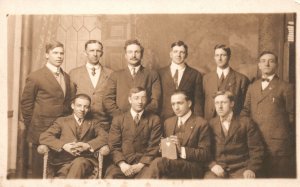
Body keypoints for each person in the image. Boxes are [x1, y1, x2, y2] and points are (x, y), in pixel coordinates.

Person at [21, 41, 74, 178]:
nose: (59, 56)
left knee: (59, 169)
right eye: (55, 53)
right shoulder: (36, 76)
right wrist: (33, 125)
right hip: (41, 130)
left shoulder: (66, 77)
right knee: (40, 171)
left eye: (61, 53)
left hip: (61, 132)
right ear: (46, 55)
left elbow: (66, 104)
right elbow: (26, 104)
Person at [241, 51, 295, 178]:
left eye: (271, 61)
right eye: (263, 61)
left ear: (276, 65)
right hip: (255, 143)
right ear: (259, 65)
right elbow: (245, 111)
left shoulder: (286, 87)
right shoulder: (252, 87)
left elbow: (292, 116)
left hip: (278, 146)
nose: (267, 64)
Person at [142, 90, 211, 179]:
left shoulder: (201, 123)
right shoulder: (168, 122)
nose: (176, 107)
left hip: (192, 167)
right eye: (173, 104)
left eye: (179, 103)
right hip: (171, 166)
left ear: (189, 103)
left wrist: (181, 150)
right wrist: (162, 148)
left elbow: (205, 154)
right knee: (161, 177)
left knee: (158, 163)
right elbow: (166, 150)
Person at [39, 94, 109, 178]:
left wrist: (88, 145)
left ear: (89, 108)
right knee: (63, 177)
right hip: (64, 162)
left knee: (78, 163)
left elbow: (105, 137)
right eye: (79, 106)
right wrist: (64, 145)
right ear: (72, 106)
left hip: (85, 161)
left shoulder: (94, 123)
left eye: (86, 107)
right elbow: (44, 136)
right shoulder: (62, 121)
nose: (82, 109)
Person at [104, 87, 162, 179]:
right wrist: (122, 164)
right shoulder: (119, 119)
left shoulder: (154, 119)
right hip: (122, 164)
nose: (140, 101)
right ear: (130, 100)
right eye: (136, 98)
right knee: (110, 178)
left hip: (144, 165)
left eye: (143, 98)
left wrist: (140, 165)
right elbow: (113, 146)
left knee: (147, 181)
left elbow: (154, 146)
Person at [204, 91, 264, 179]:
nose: (220, 106)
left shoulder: (246, 123)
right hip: (219, 168)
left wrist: (251, 169)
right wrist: (212, 165)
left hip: (241, 168)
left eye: (223, 103)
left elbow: (257, 149)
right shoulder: (211, 124)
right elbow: (205, 150)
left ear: (232, 103)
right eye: (217, 103)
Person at [103, 39, 161, 118]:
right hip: (120, 122)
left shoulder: (152, 75)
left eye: (137, 52)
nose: (133, 55)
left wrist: (140, 116)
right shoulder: (115, 75)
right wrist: (121, 117)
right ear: (125, 55)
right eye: (130, 52)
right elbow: (108, 100)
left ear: (142, 55)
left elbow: (155, 101)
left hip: (145, 120)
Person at [69, 40, 113, 131]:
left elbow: (113, 99)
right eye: (91, 50)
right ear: (85, 53)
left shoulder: (111, 74)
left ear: (102, 53)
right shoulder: (74, 73)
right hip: (81, 123)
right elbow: (71, 99)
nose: (95, 54)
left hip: (104, 123)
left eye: (98, 51)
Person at [159, 40, 204, 121]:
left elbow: (198, 102)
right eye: (175, 51)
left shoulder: (195, 74)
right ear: (171, 54)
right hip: (164, 119)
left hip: (187, 119)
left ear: (186, 55)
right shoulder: (160, 73)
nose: (178, 55)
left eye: (182, 52)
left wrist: (198, 121)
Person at [203, 44, 249, 120]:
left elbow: (246, 105)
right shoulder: (206, 78)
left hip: (232, 122)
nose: (219, 58)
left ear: (229, 57)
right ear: (214, 57)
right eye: (217, 55)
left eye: (223, 55)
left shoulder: (241, 79)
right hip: (209, 122)